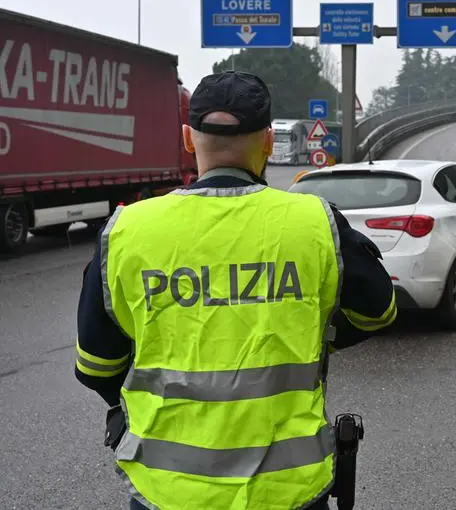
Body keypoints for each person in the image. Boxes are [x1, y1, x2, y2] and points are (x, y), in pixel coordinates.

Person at [73, 71, 398, 510]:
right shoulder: (315, 222)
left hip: (167, 490)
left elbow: (95, 366)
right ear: (267, 141)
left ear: (188, 138)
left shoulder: (128, 230)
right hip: (289, 489)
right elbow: (378, 312)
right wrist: (308, 331)